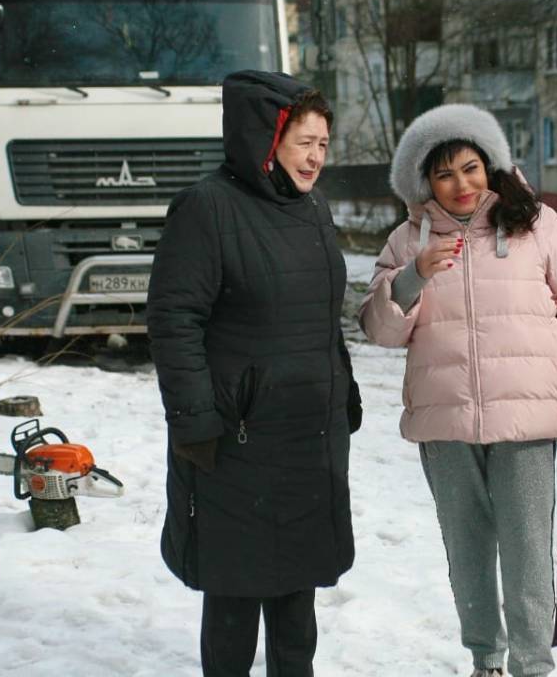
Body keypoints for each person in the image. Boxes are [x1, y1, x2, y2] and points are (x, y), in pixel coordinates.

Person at [146, 71, 362, 677]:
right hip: (233, 440)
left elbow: (320, 313)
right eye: (304, 143)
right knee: (236, 598)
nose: (317, 157)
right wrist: (194, 421)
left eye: (324, 143)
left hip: (305, 437)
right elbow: (173, 319)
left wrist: (339, 391)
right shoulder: (207, 208)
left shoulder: (311, 208)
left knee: (296, 600)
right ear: (266, 141)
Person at [359, 104, 557, 677]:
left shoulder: (537, 226)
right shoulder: (407, 240)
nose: (461, 184)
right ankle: (485, 660)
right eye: (444, 174)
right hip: (446, 423)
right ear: (423, 182)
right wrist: (415, 275)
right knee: (468, 554)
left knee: (530, 552)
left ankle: (532, 665)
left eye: (470, 167)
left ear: (492, 166)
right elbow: (380, 330)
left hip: (528, 422)